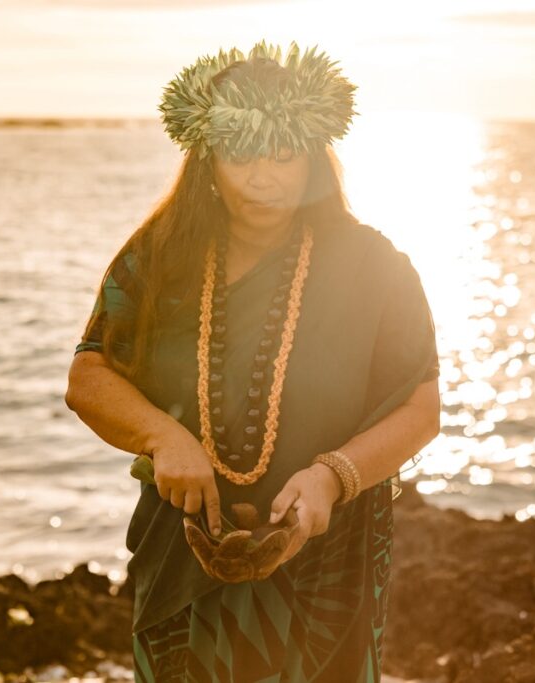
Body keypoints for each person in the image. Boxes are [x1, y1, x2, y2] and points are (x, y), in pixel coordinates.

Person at [66, 40, 441, 682]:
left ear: (313, 162)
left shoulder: (376, 267)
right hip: (182, 555)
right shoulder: (158, 258)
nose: (262, 177)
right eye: (241, 155)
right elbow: (89, 377)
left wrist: (334, 476)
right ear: (207, 159)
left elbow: (422, 408)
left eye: (283, 155)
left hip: (326, 560)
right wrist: (164, 439)